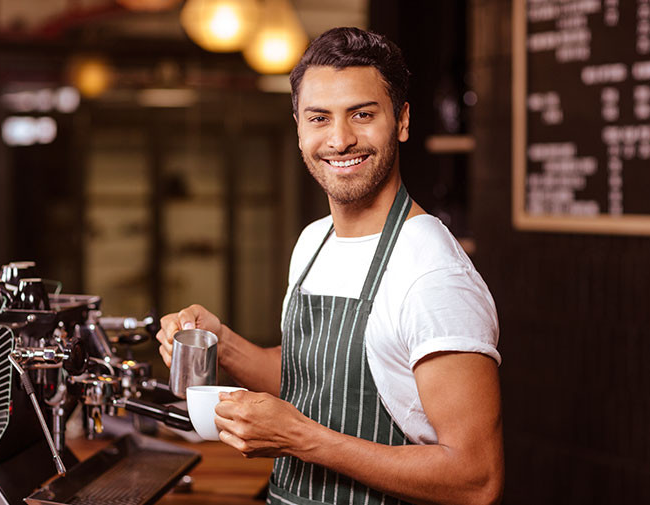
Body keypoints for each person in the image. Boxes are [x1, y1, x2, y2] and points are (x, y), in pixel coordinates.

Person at [157, 27, 503, 505]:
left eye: (362, 115)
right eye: (319, 118)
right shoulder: (315, 240)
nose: (339, 140)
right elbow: (310, 381)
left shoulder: (432, 274)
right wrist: (223, 344)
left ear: (401, 121)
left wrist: (301, 439)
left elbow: (476, 478)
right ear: (298, 125)